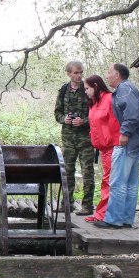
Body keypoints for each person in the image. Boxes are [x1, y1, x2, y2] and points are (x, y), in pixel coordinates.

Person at [94, 63, 139, 229]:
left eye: (109, 72)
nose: (107, 76)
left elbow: (132, 113)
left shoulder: (124, 89)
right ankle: (126, 219)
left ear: (117, 75)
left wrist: (125, 133)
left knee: (117, 182)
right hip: (138, 142)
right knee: (131, 183)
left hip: (129, 142)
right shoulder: (128, 88)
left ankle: (113, 219)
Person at [54, 60, 95, 215]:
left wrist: (83, 121)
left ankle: (87, 206)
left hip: (86, 138)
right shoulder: (64, 90)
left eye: (80, 72)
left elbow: (97, 113)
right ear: (69, 73)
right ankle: (67, 203)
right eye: (76, 73)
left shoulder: (88, 89)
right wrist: (65, 119)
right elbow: (57, 112)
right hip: (68, 138)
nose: (79, 75)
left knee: (87, 172)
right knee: (67, 171)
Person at [83, 75, 119, 223]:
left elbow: (116, 123)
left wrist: (116, 143)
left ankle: (103, 214)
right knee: (107, 180)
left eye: (87, 89)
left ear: (96, 86)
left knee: (109, 181)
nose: (85, 92)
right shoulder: (94, 103)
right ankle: (102, 213)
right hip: (102, 148)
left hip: (112, 147)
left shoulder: (110, 98)